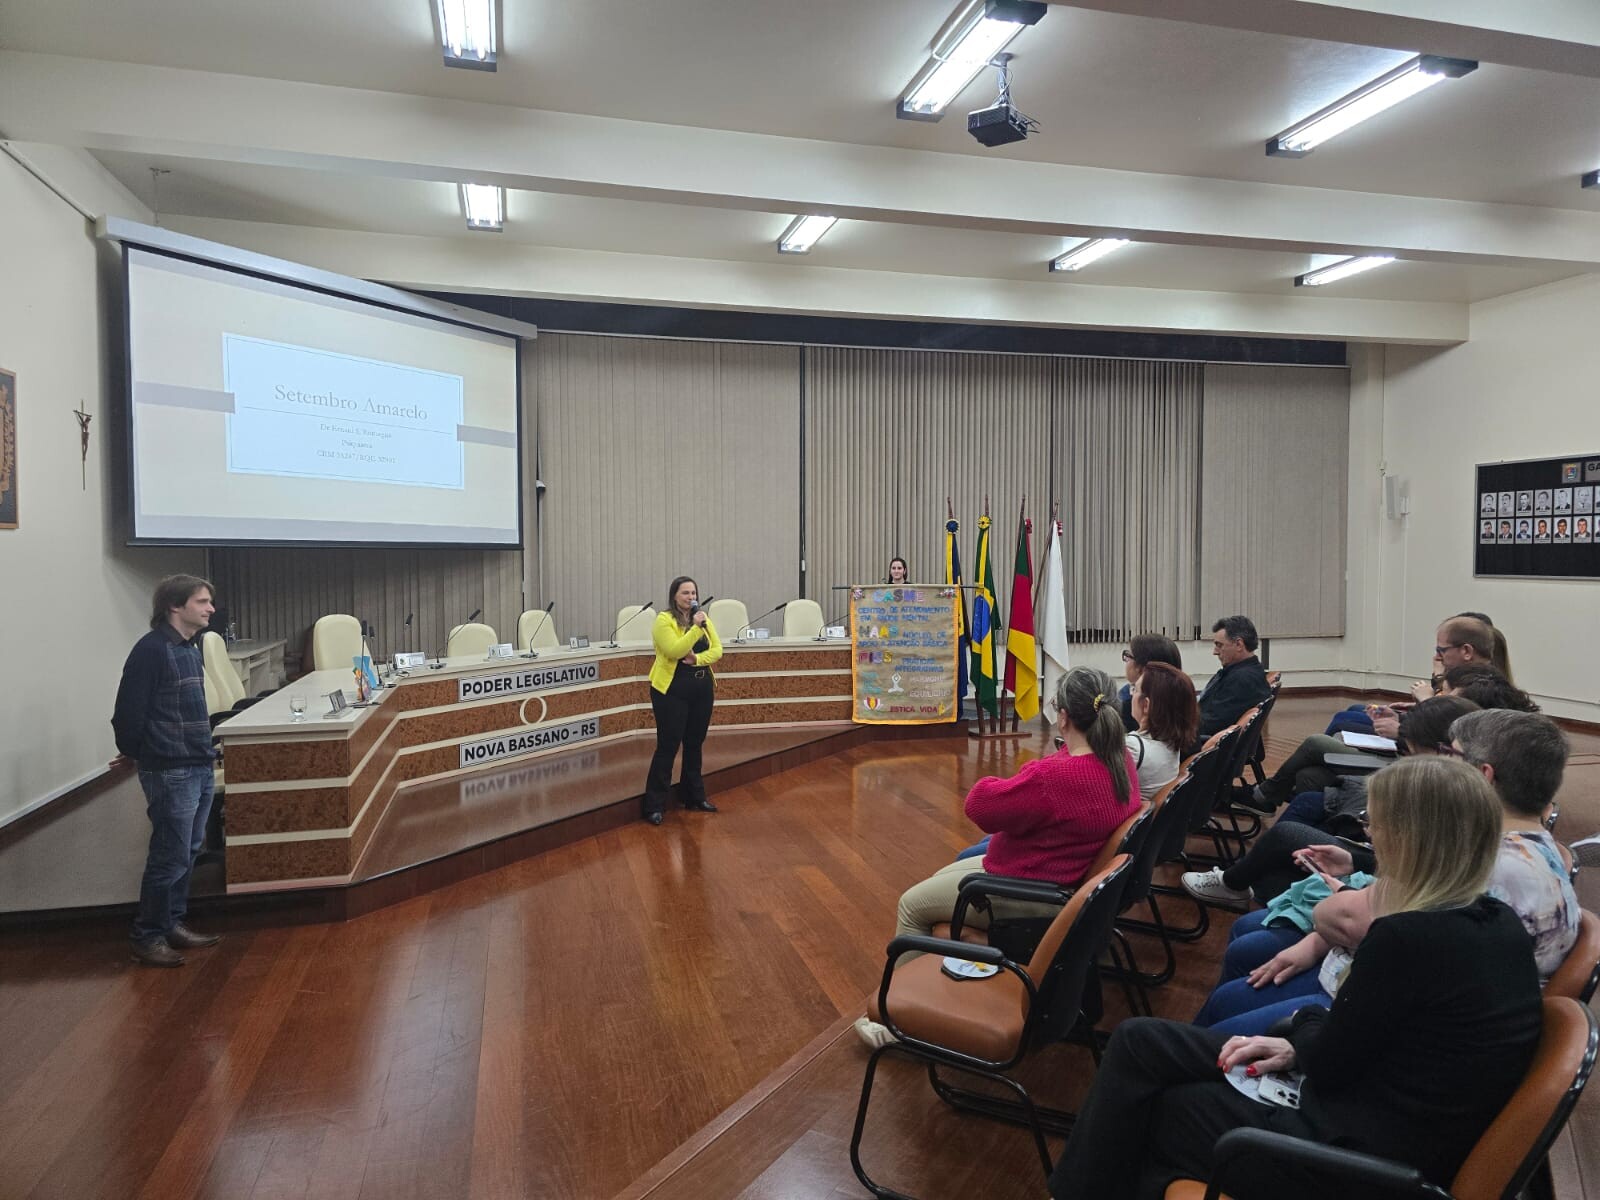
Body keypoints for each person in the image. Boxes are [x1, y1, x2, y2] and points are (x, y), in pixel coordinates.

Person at [1048, 756, 1543, 1200]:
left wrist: (1304, 1023)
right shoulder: (1497, 922)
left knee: (1162, 1104)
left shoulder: (1408, 938)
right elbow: (1365, 1044)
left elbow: (1330, 1063)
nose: (1370, 835)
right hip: (1382, 1119)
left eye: (1375, 824)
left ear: (1409, 840)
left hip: (1356, 1158)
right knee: (1140, 1044)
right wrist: (1303, 1041)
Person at [1193, 710, 1577, 1037]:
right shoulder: (1521, 845)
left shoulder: (1491, 861)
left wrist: (1327, 925)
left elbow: (1364, 925)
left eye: (1451, 754)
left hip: (1401, 1018)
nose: (1442, 763)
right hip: (1404, 992)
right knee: (1244, 952)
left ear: (1484, 775)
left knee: (1231, 988)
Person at [856, 667, 1139, 1048]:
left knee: (912, 904)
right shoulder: (1120, 760)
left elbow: (979, 805)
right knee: (941, 877)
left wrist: (1027, 772)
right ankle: (930, 992)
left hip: (1029, 887)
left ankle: (895, 1021)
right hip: (1052, 874)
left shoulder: (1055, 776)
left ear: (1063, 717)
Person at [1182, 696, 1477, 909]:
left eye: (1411, 753)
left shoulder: (1448, 803)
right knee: (1309, 784)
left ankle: (1242, 877)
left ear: (1446, 752)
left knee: (1288, 835)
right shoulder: (1448, 784)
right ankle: (1254, 872)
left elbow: (1411, 869)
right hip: (1380, 861)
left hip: (1384, 879)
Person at [111, 574, 223, 967]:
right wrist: (138, 753)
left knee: (187, 851)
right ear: (175, 605)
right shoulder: (152, 650)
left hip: (198, 763)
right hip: (171, 769)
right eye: (202, 602)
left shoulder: (188, 649)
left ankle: (171, 922)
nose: (211, 609)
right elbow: (128, 713)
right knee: (169, 855)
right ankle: (148, 936)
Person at [641, 575, 723, 825]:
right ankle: (654, 805)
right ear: (674, 596)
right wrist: (696, 628)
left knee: (695, 743)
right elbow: (675, 651)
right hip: (671, 690)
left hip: (701, 688)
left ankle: (693, 796)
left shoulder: (703, 618)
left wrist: (698, 659)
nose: (691, 597)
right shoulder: (663, 620)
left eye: (693, 593)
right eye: (685, 593)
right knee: (668, 746)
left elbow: (718, 650)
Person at [1194, 615, 1272, 748]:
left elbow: (1211, 725)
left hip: (1207, 746)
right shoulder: (1246, 672)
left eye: (1219, 645)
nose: (1215, 652)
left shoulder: (1242, 680)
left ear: (1239, 645)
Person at [1116, 633, 1183, 733]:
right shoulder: (1184, 700)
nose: (1126, 660)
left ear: (1142, 668)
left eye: (1128, 656)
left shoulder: (1128, 703)